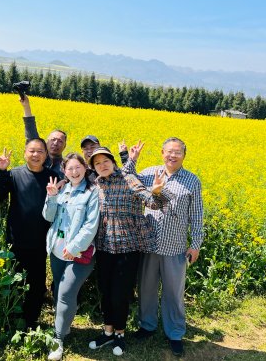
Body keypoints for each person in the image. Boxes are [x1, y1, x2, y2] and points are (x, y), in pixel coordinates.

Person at [87, 143, 171, 357]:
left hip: (128, 247)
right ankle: (107, 332)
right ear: (94, 168)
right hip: (104, 247)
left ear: (114, 162)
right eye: (97, 163)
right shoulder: (97, 184)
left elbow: (153, 203)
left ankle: (120, 334)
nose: (102, 165)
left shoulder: (128, 179)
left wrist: (157, 191)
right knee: (105, 291)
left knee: (120, 294)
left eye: (106, 161)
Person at [131, 137, 204, 357]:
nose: (173, 155)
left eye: (178, 152)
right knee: (146, 289)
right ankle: (147, 326)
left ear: (184, 155)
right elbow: (128, 181)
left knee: (174, 292)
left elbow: (197, 215)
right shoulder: (149, 173)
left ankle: (175, 333)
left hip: (175, 247)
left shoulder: (192, 180)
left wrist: (196, 244)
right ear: (162, 153)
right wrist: (131, 160)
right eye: (169, 151)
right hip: (149, 244)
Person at [0, 138, 57, 329]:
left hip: (41, 241)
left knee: (37, 283)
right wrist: (0, 171)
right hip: (16, 239)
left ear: (46, 154)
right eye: (32, 151)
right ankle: (12, 320)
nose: (36, 155)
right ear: (25, 152)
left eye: (40, 151)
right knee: (14, 281)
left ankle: (31, 321)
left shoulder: (52, 177)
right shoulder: (14, 174)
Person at [43, 153, 100, 361]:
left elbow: (91, 225)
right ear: (64, 171)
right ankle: (64, 326)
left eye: (78, 167)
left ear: (85, 168)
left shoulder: (92, 192)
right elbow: (48, 217)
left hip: (79, 254)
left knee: (66, 293)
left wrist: (75, 247)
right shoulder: (62, 189)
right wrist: (51, 197)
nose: (74, 172)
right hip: (57, 250)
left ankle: (58, 340)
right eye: (70, 168)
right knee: (59, 290)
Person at [20, 95, 66, 178]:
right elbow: (31, 131)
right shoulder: (38, 157)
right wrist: (26, 106)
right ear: (46, 141)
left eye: (60, 141)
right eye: (53, 139)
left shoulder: (66, 166)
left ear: (64, 146)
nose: (55, 143)